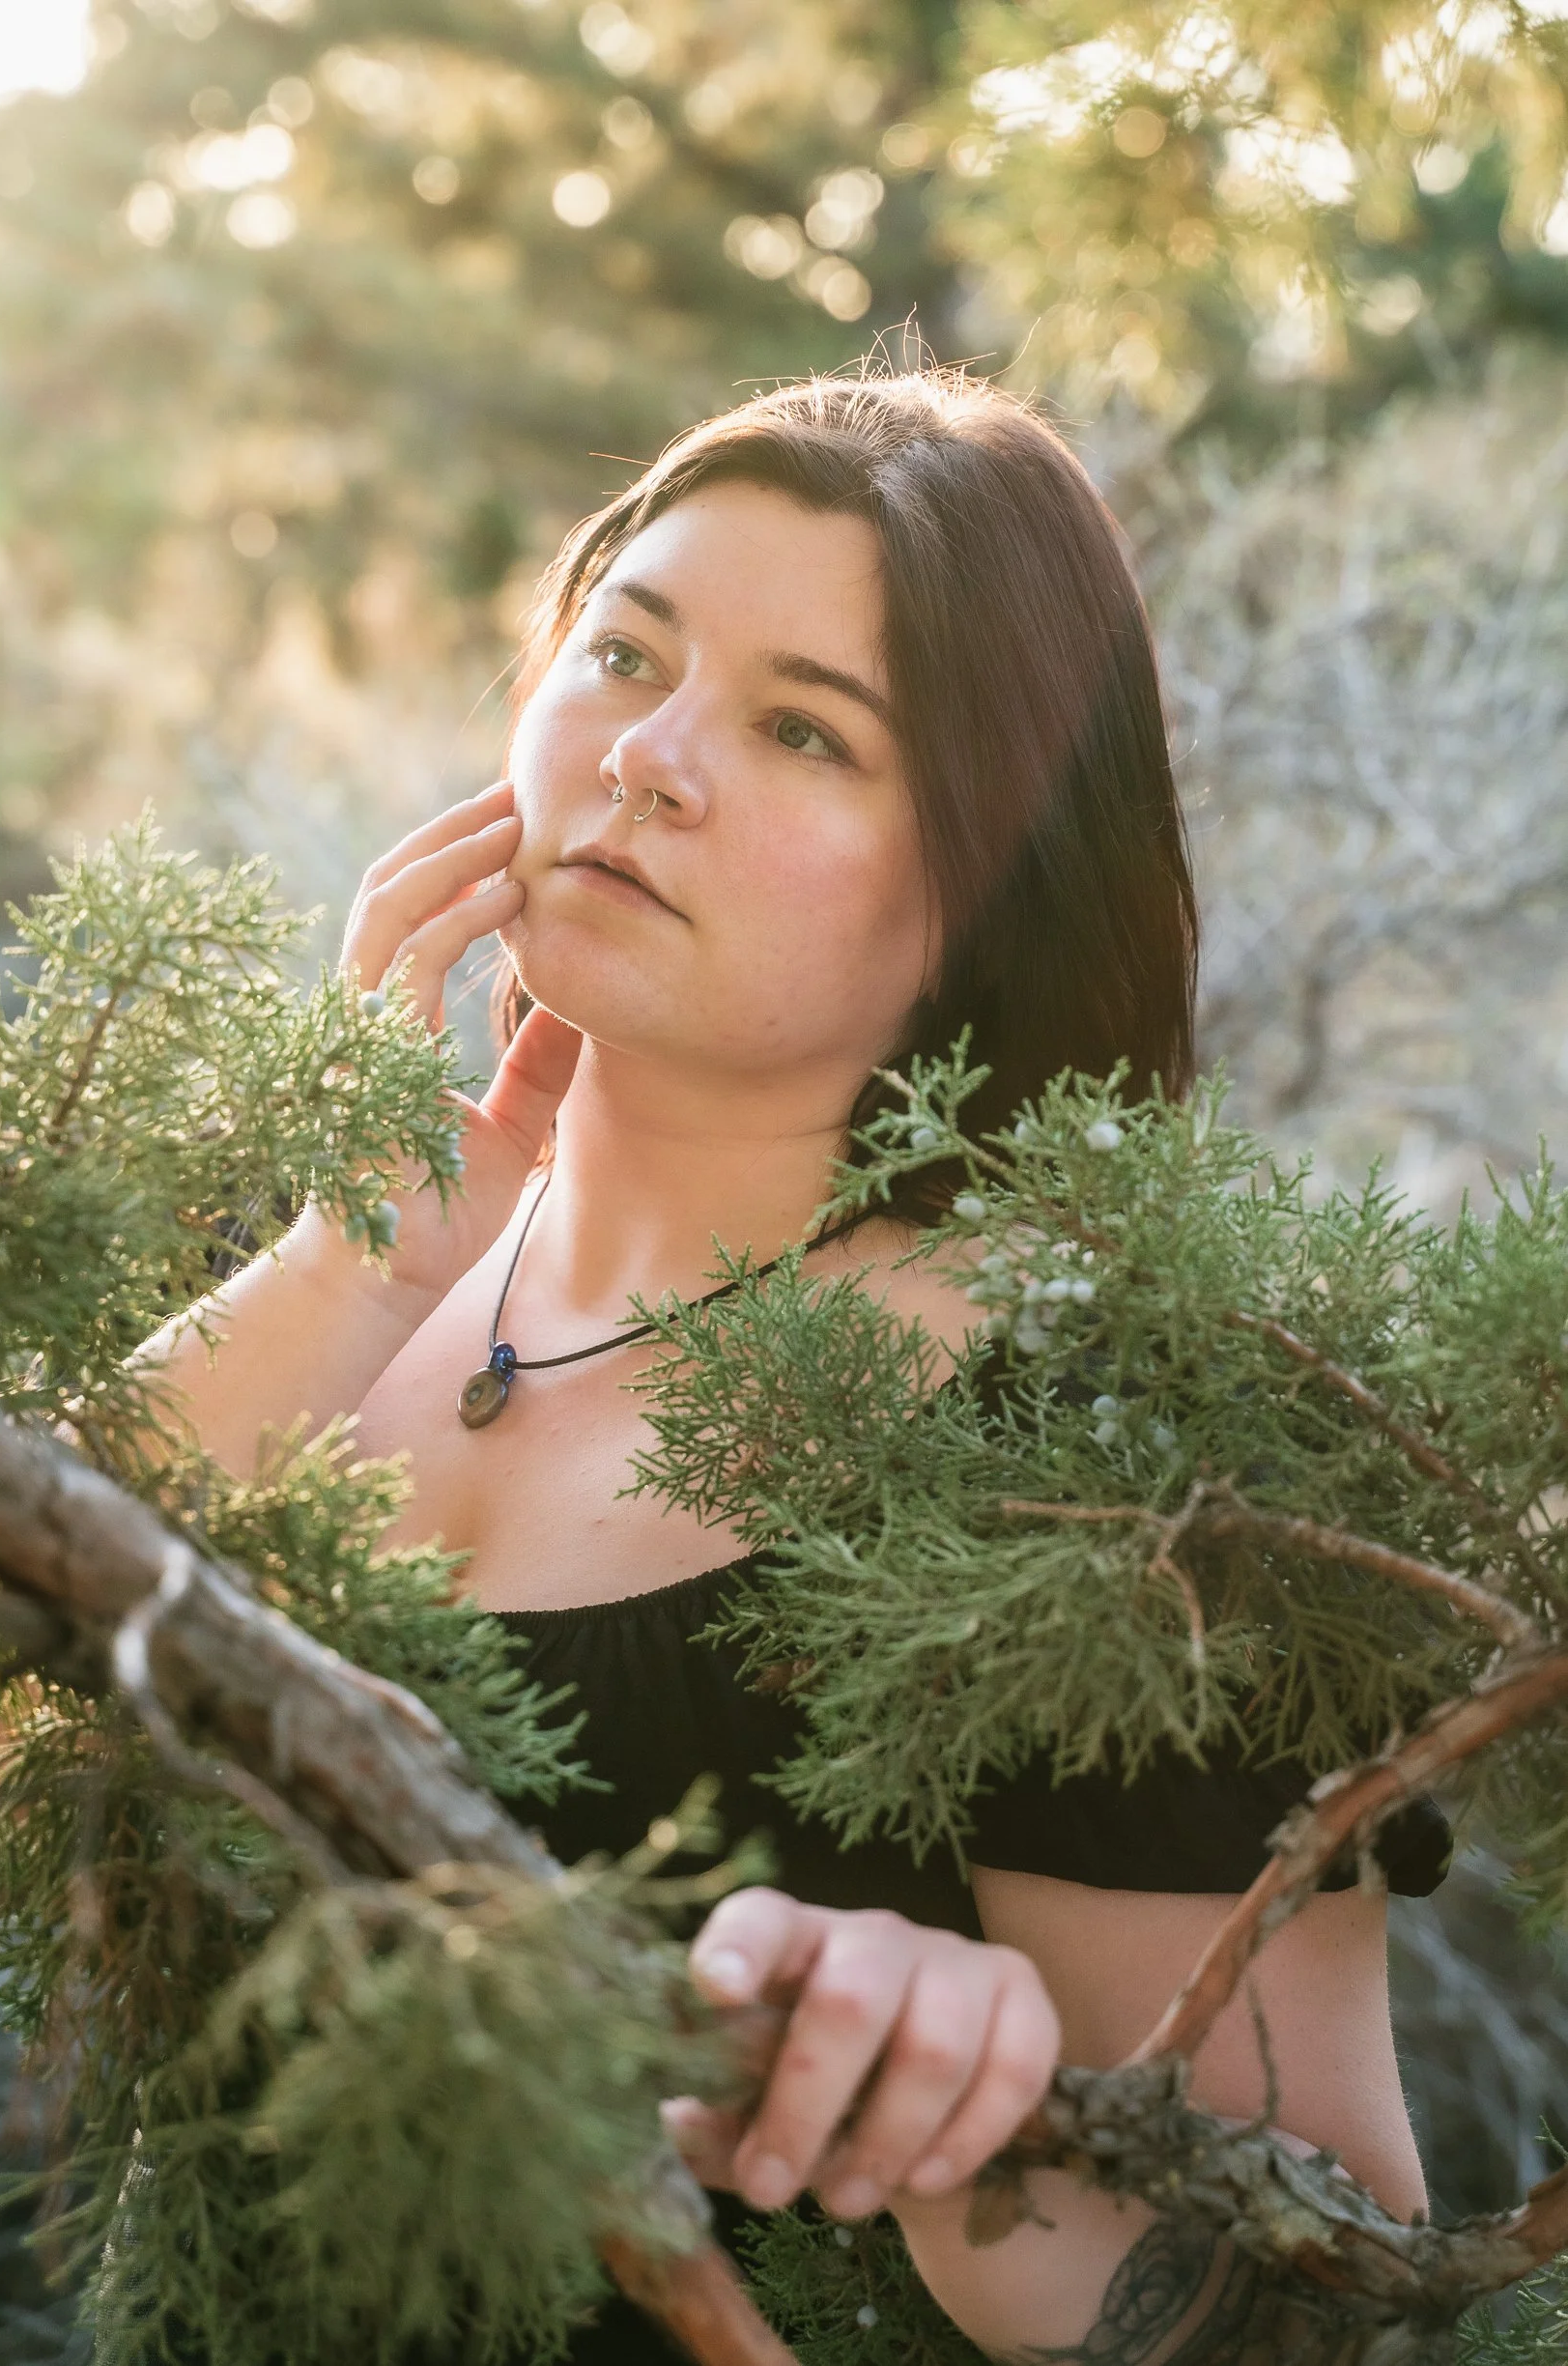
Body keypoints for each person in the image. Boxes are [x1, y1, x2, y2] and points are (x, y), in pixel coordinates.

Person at [145, 370, 1445, 2363]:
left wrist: (972, 2139)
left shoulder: (1118, 1453)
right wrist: (358, 1247)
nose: (649, 760)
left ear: (990, 882)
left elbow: (1339, 2287)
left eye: (805, 729)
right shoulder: (314, 1268)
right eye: (623, 652)